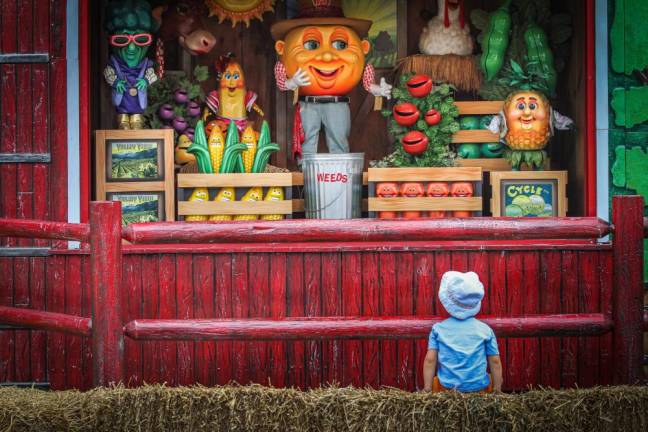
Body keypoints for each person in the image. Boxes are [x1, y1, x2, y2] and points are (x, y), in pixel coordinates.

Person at [423, 271, 503, 393]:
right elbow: (495, 361)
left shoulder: (438, 330)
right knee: (489, 380)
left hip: (447, 390)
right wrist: (498, 390)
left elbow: (430, 360)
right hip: (479, 390)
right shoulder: (485, 330)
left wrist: (427, 389)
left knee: (436, 382)